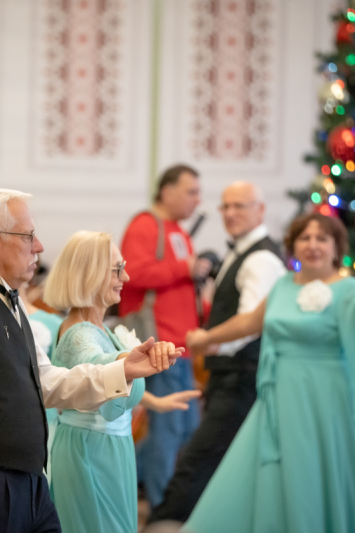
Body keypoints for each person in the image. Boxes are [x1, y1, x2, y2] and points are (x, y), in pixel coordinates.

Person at [0, 188, 184, 533]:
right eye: (28, 235)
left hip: (27, 483)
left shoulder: (7, 299)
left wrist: (123, 369)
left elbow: (46, 381)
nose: (40, 246)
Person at [182, 213, 355, 533]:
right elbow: (249, 323)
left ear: (336, 247)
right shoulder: (283, 286)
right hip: (278, 397)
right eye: (305, 238)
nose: (312, 245)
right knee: (259, 471)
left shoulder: (350, 290)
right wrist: (207, 337)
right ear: (293, 246)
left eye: (321, 239)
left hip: (324, 401)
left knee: (312, 471)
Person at [42, 231, 201, 533]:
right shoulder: (81, 334)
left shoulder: (97, 328)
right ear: (90, 274)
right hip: (91, 453)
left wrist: (153, 400)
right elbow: (98, 369)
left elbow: (97, 380)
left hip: (107, 449)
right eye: (116, 269)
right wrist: (127, 365)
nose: (126, 276)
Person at [148, 182, 286, 523]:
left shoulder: (261, 258)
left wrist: (206, 339)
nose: (230, 213)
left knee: (197, 461)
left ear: (260, 210)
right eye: (225, 207)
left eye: (240, 206)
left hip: (243, 378)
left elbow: (251, 322)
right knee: (216, 465)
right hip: (232, 377)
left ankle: (161, 525)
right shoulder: (242, 253)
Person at [119, 164, 211, 507]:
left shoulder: (178, 232)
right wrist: (183, 268)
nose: (196, 200)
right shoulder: (146, 225)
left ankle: (137, 485)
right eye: (191, 192)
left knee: (184, 429)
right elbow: (132, 272)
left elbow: (181, 286)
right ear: (167, 191)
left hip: (182, 347)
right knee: (169, 431)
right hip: (159, 344)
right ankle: (162, 509)